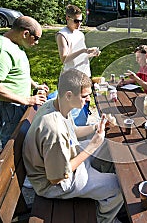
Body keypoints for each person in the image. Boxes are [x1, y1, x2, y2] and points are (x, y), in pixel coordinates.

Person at [22, 68, 123, 223]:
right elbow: (57, 178)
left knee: (109, 147)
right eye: (84, 96)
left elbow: (73, 131)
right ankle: (102, 219)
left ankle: (100, 189)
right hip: (56, 184)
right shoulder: (54, 130)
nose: (88, 100)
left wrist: (97, 127)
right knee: (118, 188)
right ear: (69, 95)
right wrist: (92, 147)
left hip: (68, 158)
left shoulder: (56, 104)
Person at [0, 16, 48, 148]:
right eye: (36, 38)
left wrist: (35, 85)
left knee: (22, 138)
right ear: (25, 33)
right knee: (12, 145)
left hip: (14, 104)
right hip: (5, 107)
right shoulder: (0, 49)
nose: (37, 43)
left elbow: (18, 72)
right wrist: (27, 101)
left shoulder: (15, 44)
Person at [56, 4, 100, 126]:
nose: (79, 24)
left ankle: (81, 129)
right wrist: (84, 51)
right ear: (67, 18)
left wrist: (91, 54)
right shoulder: (62, 35)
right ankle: (72, 133)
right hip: (72, 78)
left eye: (81, 21)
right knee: (73, 109)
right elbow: (64, 59)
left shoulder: (79, 34)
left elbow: (81, 57)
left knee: (84, 104)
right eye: (76, 21)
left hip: (84, 75)